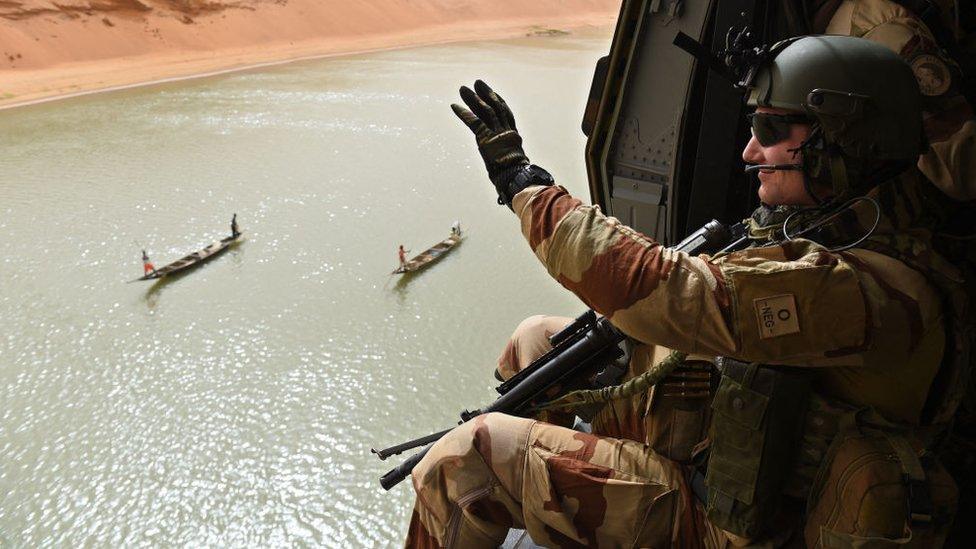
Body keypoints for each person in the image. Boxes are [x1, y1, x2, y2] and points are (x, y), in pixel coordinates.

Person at [404, 36, 964, 548]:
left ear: (842, 140)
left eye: (771, 130)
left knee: (465, 459)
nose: (749, 152)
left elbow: (665, 291)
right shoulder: (831, 229)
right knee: (536, 342)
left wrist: (527, 188)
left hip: (732, 524)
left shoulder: (859, 292)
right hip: (715, 453)